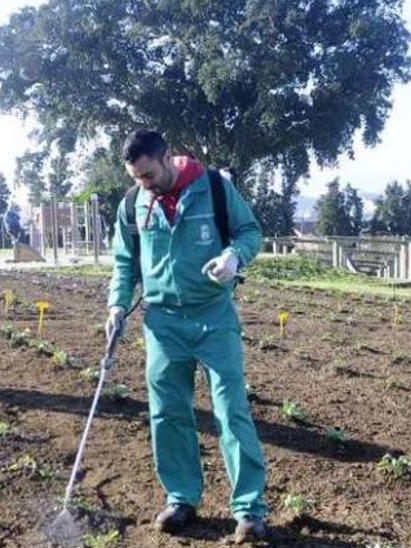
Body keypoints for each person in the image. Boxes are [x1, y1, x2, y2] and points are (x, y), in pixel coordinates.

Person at [105, 129, 268, 543]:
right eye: (135, 176)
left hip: (213, 316)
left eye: (147, 174)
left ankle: (248, 510)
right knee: (167, 413)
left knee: (231, 410)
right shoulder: (132, 203)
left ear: (165, 160)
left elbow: (250, 232)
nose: (142, 183)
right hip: (162, 323)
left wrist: (234, 256)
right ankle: (181, 499)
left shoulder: (212, 187)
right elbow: (125, 263)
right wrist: (117, 305)